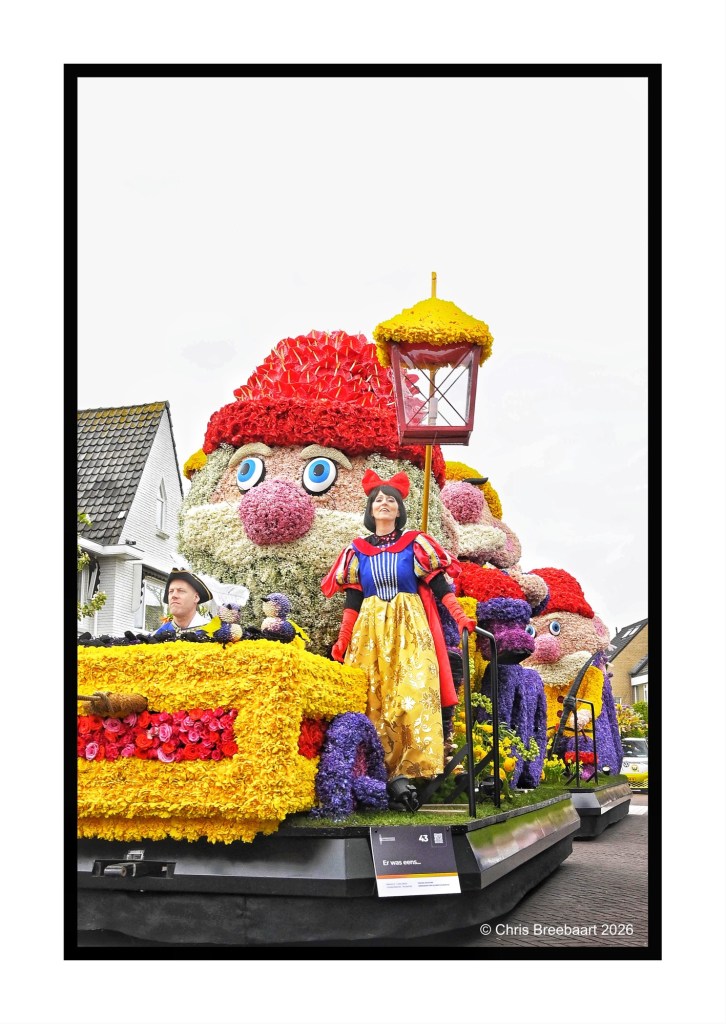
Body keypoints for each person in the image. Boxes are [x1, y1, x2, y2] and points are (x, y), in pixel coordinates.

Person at [321, 469, 476, 811]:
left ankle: (408, 769)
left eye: (390, 499)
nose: (384, 503)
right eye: (378, 499)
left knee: (414, 693)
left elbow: (440, 586)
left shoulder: (416, 543)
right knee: (372, 696)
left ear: (399, 508)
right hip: (370, 631)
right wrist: (344, 638)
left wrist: (460, 616)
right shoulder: (356, 550)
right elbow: (353, 599)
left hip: (410, 628)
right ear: (370, 509)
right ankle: (378, 772)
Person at [153, 569, 215, 638]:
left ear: (196, 598)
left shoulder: (213, 634)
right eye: (171, 591)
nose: (174, 595)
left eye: (181, 591)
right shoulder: (157, 636)